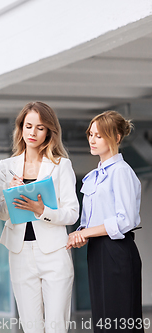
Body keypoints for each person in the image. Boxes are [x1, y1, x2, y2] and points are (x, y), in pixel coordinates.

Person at [0, 102, 79, 333]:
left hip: (54, 253)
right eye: (28, 126)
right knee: (31, 327)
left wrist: (41, 210)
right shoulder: (6, 166)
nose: (33, 133)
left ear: (49, 132)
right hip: (20, 253)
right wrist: (9, 194)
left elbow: (72, 213)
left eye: (40, 127)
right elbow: (1, 212)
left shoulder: (61, 165)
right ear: (21, 128)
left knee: (56, 327)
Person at [67, 111, 143, 333]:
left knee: (120, 320)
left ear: (116, 137)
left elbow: (125, 219)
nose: (92, 140)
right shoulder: (95, 175)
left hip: (117, 250)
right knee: (103, 320)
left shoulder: (120, 172)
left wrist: (87, 233)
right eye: (90, 134)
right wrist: (82, 234)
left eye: (98, 136)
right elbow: (90, 220)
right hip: (98, 250)